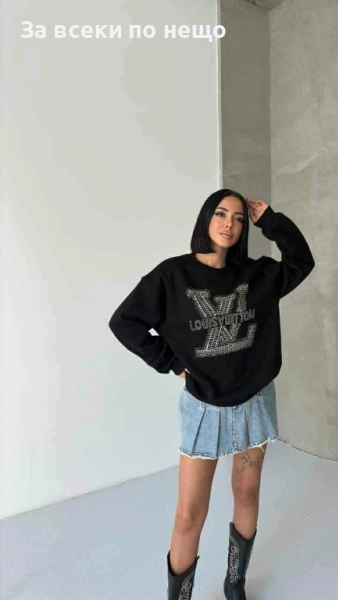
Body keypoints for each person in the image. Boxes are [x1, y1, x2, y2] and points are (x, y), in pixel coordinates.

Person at [108, 189, 315, 599]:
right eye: (221, 214)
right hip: (204, 408)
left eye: (238, 218)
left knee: (247, 494)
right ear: (206, 218)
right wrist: (171, 362)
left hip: (254, 402)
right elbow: (124, 322)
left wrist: (270, 220)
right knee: (189, 514)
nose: (229, 224)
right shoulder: (172, 276)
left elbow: (301, 260)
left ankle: (235, 583)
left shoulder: (258, 276)